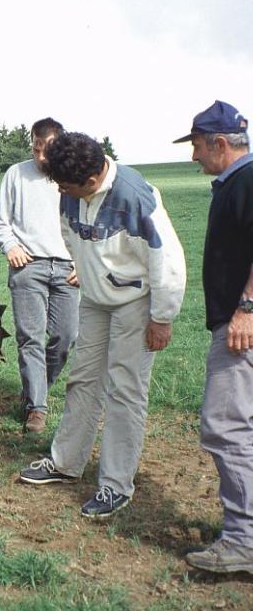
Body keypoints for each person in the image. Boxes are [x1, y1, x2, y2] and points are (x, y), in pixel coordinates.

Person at [19, 132, 186, 518]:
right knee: (83, 380)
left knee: (125, 391)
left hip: (135, 304)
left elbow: (168, 262)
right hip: (95, 300)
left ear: (92, 181)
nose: (61, 191)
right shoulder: (69, 189)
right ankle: (65, 463)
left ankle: (115, 486)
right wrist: (83, 266)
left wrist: (161, 318)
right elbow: (68, 230)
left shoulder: (135, 196)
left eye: (66, 186)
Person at [174, 100, 253, 574]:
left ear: (221, 143)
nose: (194, 156)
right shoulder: (236, 182)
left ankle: (244, 540)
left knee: (224, 425)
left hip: (241, 326)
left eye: (198, 146)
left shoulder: (247, 180)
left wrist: (246, 307)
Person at [0, 118, 78, 434]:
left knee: (65, 337)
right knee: (30, 339)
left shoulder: (71, 175)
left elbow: (87, 224)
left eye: (47, 150)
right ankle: (37, 409)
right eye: (36, 149)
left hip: (68, 269)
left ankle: (33, 390)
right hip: (28, 267)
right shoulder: (16, 174)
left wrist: (82, 261)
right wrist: (10, 245)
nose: (41, 157)